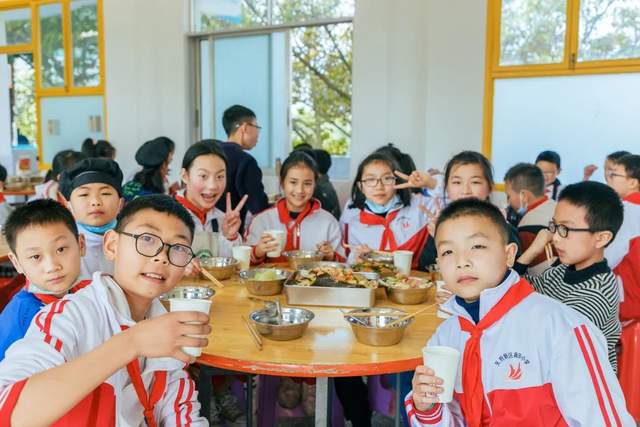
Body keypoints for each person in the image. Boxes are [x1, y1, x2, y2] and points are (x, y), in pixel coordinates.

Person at [405, 198, 633, 426]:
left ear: (509, 254)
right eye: (447, 251)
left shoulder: (562, 329)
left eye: (477, 246)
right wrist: (428, 408)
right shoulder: (446, 337)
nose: (461, 261)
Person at [0, 195, 208, 425]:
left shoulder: (165, 327)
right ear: (111, 245)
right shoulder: (68, 317)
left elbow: (179, 407)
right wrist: (132, 342)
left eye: (177, 248)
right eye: (147, 239)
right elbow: (7, 412)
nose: (162, 257)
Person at [514, 181, 623, 370]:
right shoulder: (562, 270)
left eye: (565, 229)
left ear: (601, 238)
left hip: (579, 383)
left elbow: (550, 344)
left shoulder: (596, 295)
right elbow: (513, 289)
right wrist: (532, 251)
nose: (555, 238)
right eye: (554, 226)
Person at [0, 200, 89, 360]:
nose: (52, 266)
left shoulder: (89, 292)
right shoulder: (22, 318)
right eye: (35, 256)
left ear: (81, 245)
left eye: (60, 249)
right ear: (16, 263)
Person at [416, 151, 522, 271]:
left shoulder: (502, 225)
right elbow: (425, 268)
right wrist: (438, 237)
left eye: (475, 182)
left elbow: (515, 270)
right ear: (447, 189)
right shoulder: (441, 224)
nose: (466, 190)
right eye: (457, 182)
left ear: (490, 187)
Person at [245, 151, 344, 265]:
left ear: (315, 185)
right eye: (293, 182)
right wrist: (258, 251)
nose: (300, 190)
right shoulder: (262, 220)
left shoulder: (328, 222)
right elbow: (243, 263)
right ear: (282, 183)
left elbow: (344, 264)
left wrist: (331, 256)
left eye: (307, 183)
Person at [341, 151, 431, 266]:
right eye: (370, 179)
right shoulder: (352, 220)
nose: (379, 186)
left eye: (387, 178)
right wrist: (356, 259)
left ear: (396, 181)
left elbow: (450, 201)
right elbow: (347, 261)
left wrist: (430, 183)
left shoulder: (419, 206)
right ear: (361, 186)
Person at [176, 140, 245, 260]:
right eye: (203, 176)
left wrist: (229, 237)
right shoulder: (166, 216)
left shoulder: (222, 219)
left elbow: (232, 266)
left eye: (220, 176)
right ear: (185, 176)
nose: (213, 186)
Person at [59, 158, 124, 278]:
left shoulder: (132, 239)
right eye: (84, 194)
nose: (95, 202)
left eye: (105, 193)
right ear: (69, 205)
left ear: (120, 203)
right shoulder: (61, 245)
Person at [216, 105, 269, 233]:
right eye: (256, 127)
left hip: (203, 229)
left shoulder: (211, 153)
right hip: (230, 233)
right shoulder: (246, 161)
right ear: (245, 127)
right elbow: (258, 207)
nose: (258, 134)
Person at [604, 154, 640, 321]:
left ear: (633, 182)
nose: (608, 178)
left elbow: (607, 258)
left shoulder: (625, 211)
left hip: (629, 304)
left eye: (614, 174)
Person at [504, 163, 556, 274]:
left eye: (509, 196)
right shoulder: (557, 207)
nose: (508, 202)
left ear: (524, 195)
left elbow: (536, 273)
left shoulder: (527, 226)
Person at [122, 137, 174, 201]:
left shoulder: (128, 186)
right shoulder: (155, 197)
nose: (167, 170)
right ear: (163, 166)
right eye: (169, 162)